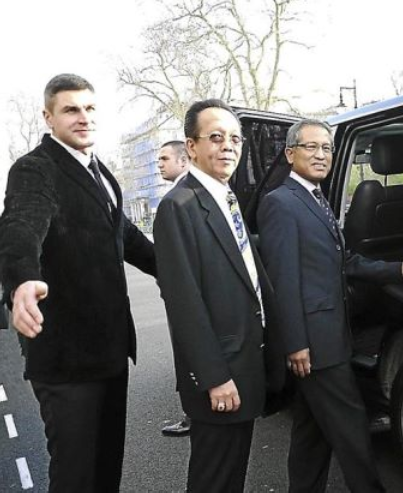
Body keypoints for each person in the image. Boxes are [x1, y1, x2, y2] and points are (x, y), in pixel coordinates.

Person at [0, 73, 157, 493]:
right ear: (48, 117)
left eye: (89, 108)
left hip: (109, 350)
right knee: (76, 477)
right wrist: (22, 280)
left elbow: (125, 236)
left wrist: (178, 270)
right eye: (71, 109)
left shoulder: (97, 171)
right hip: (66, 359)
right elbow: (21, 225)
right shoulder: (35, 169)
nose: (83, 117)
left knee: (106, 469)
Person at [257, 119, 403, 493]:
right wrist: (296, 343)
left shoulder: (315, 197)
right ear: (290, 153)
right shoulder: (280, 203)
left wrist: (397, 268)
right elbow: (283, 281)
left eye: (327, 147)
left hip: (330, 333)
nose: (321, 155)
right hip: (315, 343)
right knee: (351, 425)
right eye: (311, 147)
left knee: (312, 429)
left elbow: (344, 262)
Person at [154, 99, 270, 492]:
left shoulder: (226, 196)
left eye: (235, 139)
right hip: (221, 374)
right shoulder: (178, 206)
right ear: (191, 146)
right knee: (214, 478)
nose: (228, 147)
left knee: (232, 475)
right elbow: (183, 302)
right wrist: (215, 377)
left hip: (246, 362)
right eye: (216, 137)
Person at [156, 140, 193, 437]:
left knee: (188, 352)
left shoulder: (179, 198)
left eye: (164, 158)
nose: (159, 164)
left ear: (183, 160)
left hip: (186, 295)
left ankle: (193, 414)